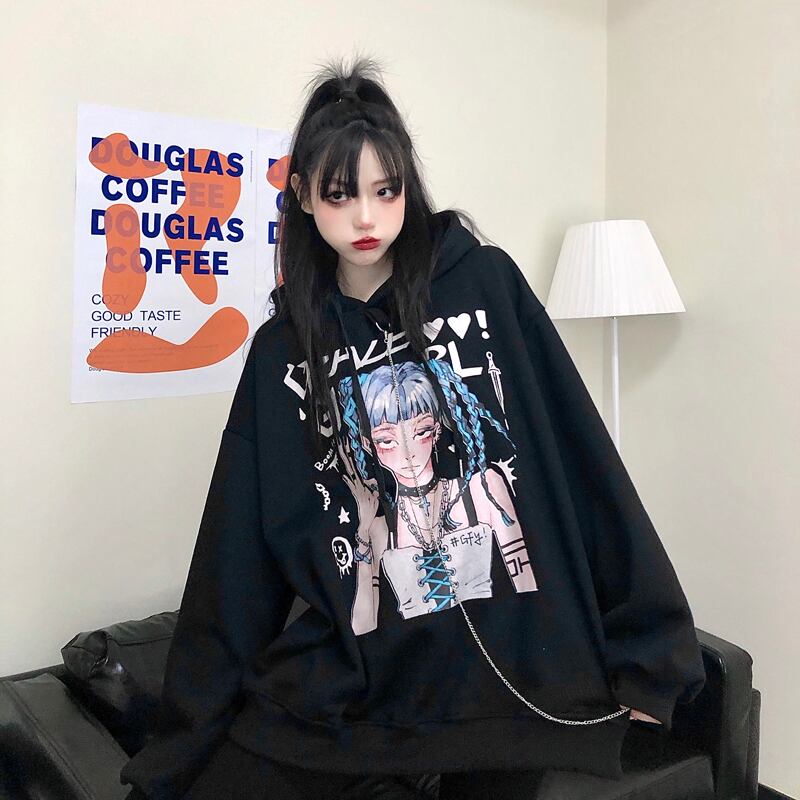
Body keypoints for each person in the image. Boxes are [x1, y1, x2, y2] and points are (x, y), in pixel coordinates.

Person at [120, 55, 706, 800]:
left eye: (385, 190)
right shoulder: (282, 352)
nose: (366, 218)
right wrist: (181, 742)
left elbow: (581, 455)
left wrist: (651, 654)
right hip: (358, 685)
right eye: (340, 194)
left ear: (407, 188)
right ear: (302, 196)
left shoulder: (485, 284)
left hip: (507, 684)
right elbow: (234, 551)